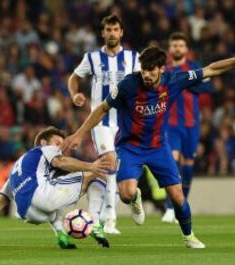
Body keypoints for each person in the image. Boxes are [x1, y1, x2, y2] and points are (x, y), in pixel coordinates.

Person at [63, 46, 235, 249]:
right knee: (125, 194)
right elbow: (101, 109)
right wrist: (79, 134)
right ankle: (135, 198)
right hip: (130, 147)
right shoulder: (128, 85)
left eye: (151, 70)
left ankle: (189, 236)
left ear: (161, 69)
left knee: (178, 196)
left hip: (158, 147)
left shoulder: (174, 80)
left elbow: (211, 69)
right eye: (144, 70)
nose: (146, 75)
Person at [0, 126, 111, 250]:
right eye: (58, 143)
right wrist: (91, 165)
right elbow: (61, 162)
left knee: (53, 182)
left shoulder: (17, 169)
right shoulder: (43, 150)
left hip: (27, 213)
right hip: (41, 196)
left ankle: (61, 234)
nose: (61, 147)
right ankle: (96, 224)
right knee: (93, 175)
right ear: (43, 142)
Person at [68, 14, 140, 234]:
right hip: (101, 121)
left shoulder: (133, 57)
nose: (112, 33)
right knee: (109, 163)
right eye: (108, 30)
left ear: (121, 32)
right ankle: (110, 219)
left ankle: (134, 196)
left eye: (115, 29)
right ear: (103, 33)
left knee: (120, 169)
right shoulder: (91, 58)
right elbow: (73, 78)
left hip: (126, 121)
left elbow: (142, 84)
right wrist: (74, 95)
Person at [162, 32, 213, 223]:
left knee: (188, 167)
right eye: (174, 45)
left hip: (192, 125)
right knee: (172, 164)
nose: (177, 48)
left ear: (186, 49)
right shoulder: (164, 70)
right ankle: (169, 207)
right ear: (169, 49)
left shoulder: (194, 67)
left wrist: (183, 84)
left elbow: (209, 88)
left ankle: (181, 205)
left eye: (180, 45)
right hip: (171, 125)